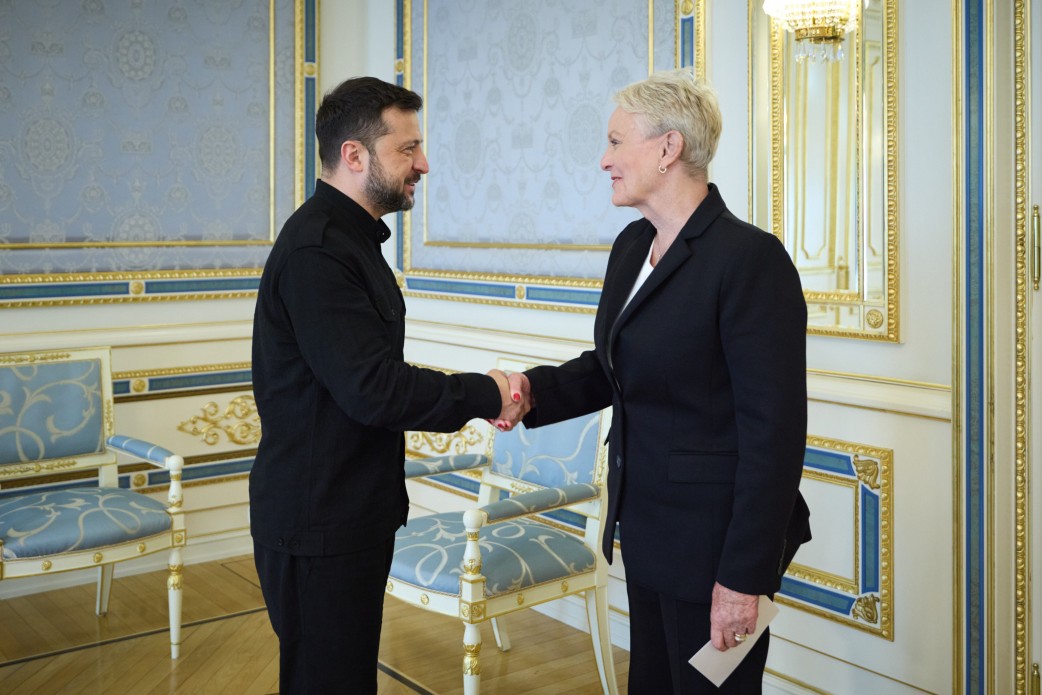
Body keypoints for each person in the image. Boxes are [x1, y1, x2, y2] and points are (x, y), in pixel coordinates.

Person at [497, 70, 811, 693]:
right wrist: (529, 391)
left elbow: (773, 437)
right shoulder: (632, 245)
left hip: (715, 550)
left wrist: (742, 579)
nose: (604, 160)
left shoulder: (750, 260)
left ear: (669, 148)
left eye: (617, 142)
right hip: (645, 531)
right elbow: (614, 367)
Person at [250, 76, 525, 694]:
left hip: (345, 514)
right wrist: (488, 392)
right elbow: (374, 389)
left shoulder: (349, 240)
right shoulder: (319, 251)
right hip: (319, 523)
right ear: (354, 155)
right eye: (408, 148)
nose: (423, 164)